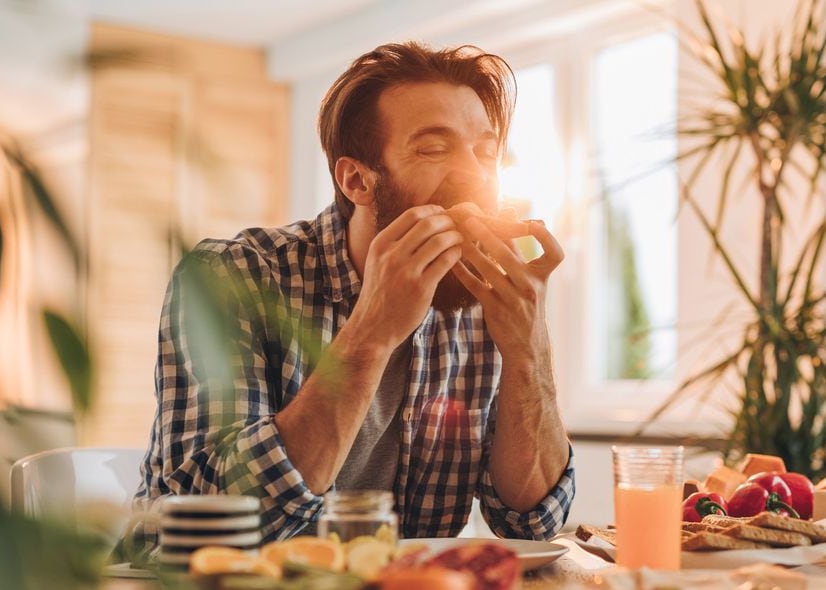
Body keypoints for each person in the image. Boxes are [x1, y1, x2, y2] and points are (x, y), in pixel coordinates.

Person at [134, 42, 575, 542]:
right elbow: (201, 522)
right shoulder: (230, 277)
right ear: (357, 180)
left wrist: (529, 349)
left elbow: (532, 521)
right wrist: (372, 330)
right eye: (434, 148)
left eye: (486, 152)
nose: (474, 174)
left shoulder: (483, 300)